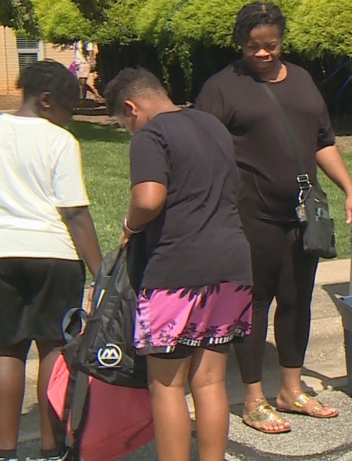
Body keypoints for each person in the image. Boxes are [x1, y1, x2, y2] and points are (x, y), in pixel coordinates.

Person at [196, 2, 352, 434]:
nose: (263, 54)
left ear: (282, 41)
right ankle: (253, 398)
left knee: (297, 298)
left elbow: (323, 141)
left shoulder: (304, 80)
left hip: (302, 214)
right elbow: (203, 151)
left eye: (270, 45)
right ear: (240, 43)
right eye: (253, 47)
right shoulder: (222, 88)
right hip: (251, 215)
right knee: (253, 303)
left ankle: (291, 388)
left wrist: (349, 190)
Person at [105, 68, 253, 461]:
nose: (130, 131)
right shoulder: (212, 125)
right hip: (232, 264)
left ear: (130, 108)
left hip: (177, 269)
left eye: (125, 125)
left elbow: (149, 199)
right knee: (209, 382)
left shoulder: (151, 136)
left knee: (168, 386)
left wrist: (128, 226)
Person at [0, 61, 103, 461]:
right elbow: (75, 214)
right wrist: (102, 272)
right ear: (47, 101)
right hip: (54, 256)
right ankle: (50, 449)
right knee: (52, 350)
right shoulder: (59, 142)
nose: (68, 119)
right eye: (68, 109)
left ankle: (3, 452)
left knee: (5, 350)